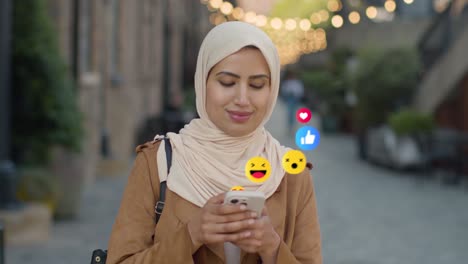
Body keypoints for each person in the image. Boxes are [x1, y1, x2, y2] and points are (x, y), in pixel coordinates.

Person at [107, 21, 322, 264]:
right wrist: (191, 235)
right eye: (227, 82)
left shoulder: (291, 174)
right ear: (203, 82)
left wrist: (271, 248)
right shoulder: (158, 163)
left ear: (272, 91)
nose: (242, 99)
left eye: (257, 85)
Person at [281, 69, 305, 134]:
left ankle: (292, 127)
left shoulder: (297, 82)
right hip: (289, 98)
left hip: (295, 99)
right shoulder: (287, 82)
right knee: (290, 113)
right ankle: (290, 127)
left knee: (293, 113)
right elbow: (284, 90)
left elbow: (300, 91)